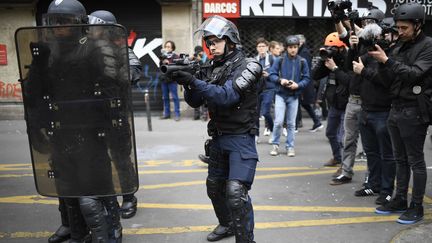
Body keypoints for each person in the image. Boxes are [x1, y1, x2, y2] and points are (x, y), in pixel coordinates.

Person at [21, 0, 135, 241]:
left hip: (92, 132)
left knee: (96, 191)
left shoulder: (95, 48)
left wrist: (111, 126)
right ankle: (76, 231)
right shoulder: (47, 50)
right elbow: (35, 94)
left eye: (66, 21)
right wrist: (37, 124)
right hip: (60, 132)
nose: (59, 27)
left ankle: (112, 231)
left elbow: (115, 91)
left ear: (80, 23)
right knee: (67, 189)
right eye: (55, 21)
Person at [171, 15, 261, 243]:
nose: (211, 46)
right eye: (208, 42)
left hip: (241, 137)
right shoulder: (211, 67)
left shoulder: (250, 66)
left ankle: (246, 240)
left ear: (230, 40)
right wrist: (187, 81)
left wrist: (193, 82)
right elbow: (194, 102)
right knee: (214, 188)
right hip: (218, 138)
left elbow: (227, 97)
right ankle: (227, 224)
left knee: (235, 193)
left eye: (216, 41)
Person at [370, 2, 432, 224]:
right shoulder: (399, 46)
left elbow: (415, 74)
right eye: (398, 27)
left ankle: (416, 206)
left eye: (405, 27)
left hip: (415, 109)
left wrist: (387, 61)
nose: (400, 31)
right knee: (400, 159)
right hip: (395, 108)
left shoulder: (428, 46)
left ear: (418, 25)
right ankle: (399, 200)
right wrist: (381, 62)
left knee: (415, 160)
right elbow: (387, 80)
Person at [88, 9, 140, 219]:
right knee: (94, 158)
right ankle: (103, 198)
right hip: (90, 116)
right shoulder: (83, 50)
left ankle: (128, 197)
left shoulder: (121, 50)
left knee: (121, 158)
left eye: (95, 26)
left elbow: (134, 72)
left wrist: (117, 71)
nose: (91, 30)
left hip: (115, 114)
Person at [269, 35, 310, 157]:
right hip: (281, 94)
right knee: (278, 122)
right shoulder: (279, 60)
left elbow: (307, 78)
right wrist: (280, 80)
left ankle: (290, 146)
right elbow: (272, 75)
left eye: (295, 47)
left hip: (294, 96)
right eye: (291, 47)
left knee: (292, 123)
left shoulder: (302, 61)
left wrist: (298, 85)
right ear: (286, 48)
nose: (293, 49)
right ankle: (275, 145)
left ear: (298, 47)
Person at [311, 32, 349, 167]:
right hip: (334, 104)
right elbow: (315, 76)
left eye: (333, 48)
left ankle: (345, 167)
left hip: (347, 104)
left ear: (342, 48)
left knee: (343, 138)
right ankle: (337, 158)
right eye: (328, 47)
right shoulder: (329, 60)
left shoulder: (349, 59)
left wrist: (335, 68)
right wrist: (323, 60)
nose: (330, 51)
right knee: (331, 133)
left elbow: (349, 81)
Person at [295, 34, 323, 132]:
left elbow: (303, 68)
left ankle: (296, 124)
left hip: (303, 82)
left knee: (299, 102)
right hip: (302, 81)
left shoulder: (304, 52)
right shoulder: (301, 51)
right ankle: (316, 122)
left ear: (301, 42)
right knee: (303, 103)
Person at [255, 37, 276, 141]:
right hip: (257, 89)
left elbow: (277, 73)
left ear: (267, 48)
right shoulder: (255, 60)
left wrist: (268, 74)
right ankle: (256, 134)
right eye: (259, 46)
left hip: (269, 88)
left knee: (266, 112)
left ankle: (272, 131)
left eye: (263, 46)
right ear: (257, 48)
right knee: (255, 113)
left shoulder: (272, 59)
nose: (261, 48)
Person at [159, 40, 181, 121]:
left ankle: (177, 114)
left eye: (168, 47)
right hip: (164, 79)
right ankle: (167, 114)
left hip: (172, 80)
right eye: (166, 46)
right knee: (165, 98)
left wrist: (169, 63)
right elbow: (160, 67)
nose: (167, 48)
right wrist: (163, 62)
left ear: (172, 48)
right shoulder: (163, 56)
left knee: (175, 97)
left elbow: (177, 67)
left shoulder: (175, 56)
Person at [192, 45, 209, 121]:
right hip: (195, 80)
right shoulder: (195, 58)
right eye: (197, 52)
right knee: (196, 97)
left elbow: (206, 68)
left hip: (204, 80)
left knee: (204, 98)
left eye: (200, 51)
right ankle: (196, 115)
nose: (199, 53)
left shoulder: (206, 58)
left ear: (202, 51)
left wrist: (200, 60)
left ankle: (204, 115)